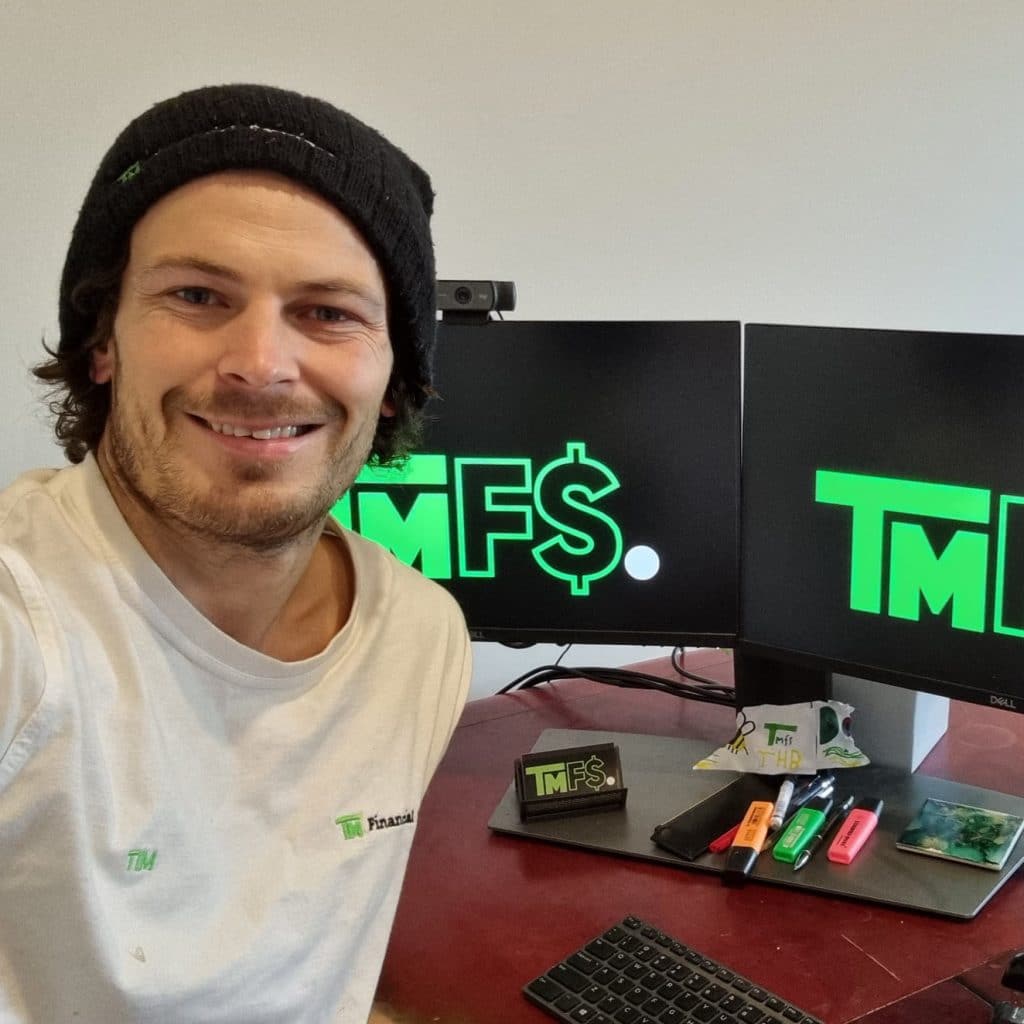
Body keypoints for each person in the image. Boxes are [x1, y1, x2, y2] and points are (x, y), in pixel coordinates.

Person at [0, 83, 471, 1023]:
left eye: (329, 312)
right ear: (103, 342)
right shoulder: (22, 622)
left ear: (393, 379)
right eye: (197, 295)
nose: (260, 364)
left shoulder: (422, 640)